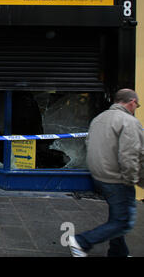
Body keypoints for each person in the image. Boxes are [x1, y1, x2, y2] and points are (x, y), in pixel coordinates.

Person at [69, 88, 144, 257]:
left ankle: (118, 252)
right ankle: (81, 241)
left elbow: (88, 143)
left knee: (118, 215)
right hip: (117, 178)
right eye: (137, 105)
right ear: (132, 102)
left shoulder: (99, 118)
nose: (136, 108)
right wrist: (132, 179)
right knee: (123, 221)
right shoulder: (129, 122)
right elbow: (131, 154)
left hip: (99, 176)